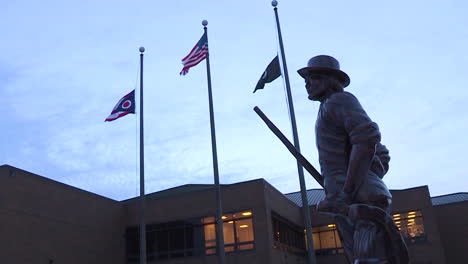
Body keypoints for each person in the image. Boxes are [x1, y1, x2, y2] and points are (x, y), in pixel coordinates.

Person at [297, 55, 392, 216]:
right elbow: (379, 151)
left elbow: (368, 139)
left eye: (313, 78)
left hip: (359, 200)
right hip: (343, 200)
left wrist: (348, 191)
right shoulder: (326, 107)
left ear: (330, 80)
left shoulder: (338, 100)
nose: (307, 84)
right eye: (305, 80)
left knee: (370, 240)